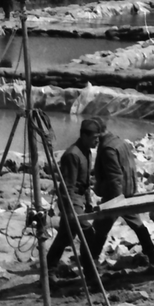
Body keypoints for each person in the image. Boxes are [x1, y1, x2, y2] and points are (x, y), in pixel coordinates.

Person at [89, 118, 154, 267]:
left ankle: (91, 261)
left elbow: (115, 176)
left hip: (117, 195)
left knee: (100, 228)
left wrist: (116, 200)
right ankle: (151, 254)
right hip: (128, 190)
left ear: (98, 133)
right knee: (136, 223)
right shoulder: (118, 141)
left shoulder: (107, 148)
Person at [47, 118, 103, 284]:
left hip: (78, 200)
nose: (97, 141)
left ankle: (49, 271)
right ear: (84, 136)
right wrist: (73, 211)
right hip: (70, 201)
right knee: (88, 234)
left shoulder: (87, 152)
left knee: (65, 237)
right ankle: (90, 274)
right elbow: (68, 186)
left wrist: (88, 201)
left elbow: (84, 182)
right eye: (94, 138)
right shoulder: (72, 155)